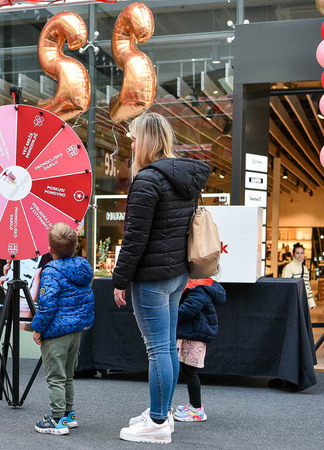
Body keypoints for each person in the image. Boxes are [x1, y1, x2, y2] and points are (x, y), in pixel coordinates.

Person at [112, 112, 210, 444]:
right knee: (167, 347)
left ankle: (156, 423)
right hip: (177, 274)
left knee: (157, 350)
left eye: (134, 137)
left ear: (147, 140)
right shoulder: (185, 177)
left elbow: (135, 238)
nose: (132, 143)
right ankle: (162, 413)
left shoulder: (147, 180)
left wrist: (120, 279)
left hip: (151, 277)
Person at [30, 222, 94, 436]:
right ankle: (69, 414)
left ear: (50, 249)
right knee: (67, 375)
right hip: (76, 331)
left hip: (56, 333)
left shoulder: (51, 272)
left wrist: (37, 328)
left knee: (55, 377)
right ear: (75, 246)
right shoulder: (83, 268)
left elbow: (47, 306)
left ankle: (57, 420)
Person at [173, 278, 226, 422]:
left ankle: (197, 409)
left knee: (190, 371)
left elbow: (188, 310)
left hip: (194, 336)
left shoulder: (200, 288)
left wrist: (169, 314)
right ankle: (193, 405)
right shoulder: (200, 286)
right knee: (187, 369)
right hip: (190, 333)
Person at [281, 243, 315, 309]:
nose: (300, 255)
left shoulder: (304, 268)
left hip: (302, 301)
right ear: (293, 255)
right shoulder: (288, 268)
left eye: (302, 253)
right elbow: (285, 287)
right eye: (297, 253)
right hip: (291, 302)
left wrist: (311, 303)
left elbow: (307, 286)